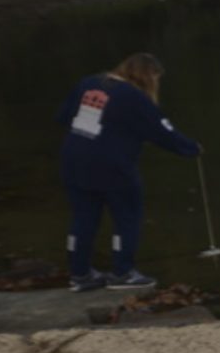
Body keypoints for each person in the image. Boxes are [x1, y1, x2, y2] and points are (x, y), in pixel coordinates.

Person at [57, 52, 198, 292]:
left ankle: (79, 274)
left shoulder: (89, 83)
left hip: (73, 160)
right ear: (149, 76)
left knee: (83, 217)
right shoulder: (134, 97)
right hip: (113, 165)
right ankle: (122, 272)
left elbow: (62, 116)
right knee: (126, 216)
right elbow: (161, 130)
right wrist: (191, 148)